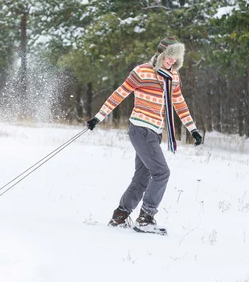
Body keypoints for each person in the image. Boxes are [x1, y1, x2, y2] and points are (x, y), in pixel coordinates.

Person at [86, 37, 203, 230]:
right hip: (140, 129)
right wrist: (98, 117)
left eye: (176, 58)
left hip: (155, 133)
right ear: (161, 54)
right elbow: (120, 93)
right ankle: (146, 218)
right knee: (161, 173)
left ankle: (119, 217)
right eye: (169, 56)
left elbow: (180, 104)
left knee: (142, 178)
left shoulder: (173, 77)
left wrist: (193, 130)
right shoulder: (141, 72)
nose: (172, 61)